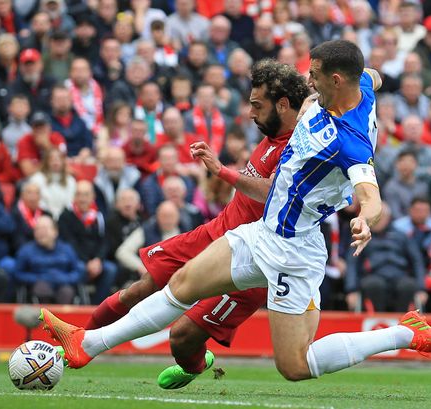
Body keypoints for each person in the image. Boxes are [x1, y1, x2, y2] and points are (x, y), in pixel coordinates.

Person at [41, 42, 431, 384]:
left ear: (335, 80)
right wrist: (371, 77)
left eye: (313, 74)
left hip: (297, 252)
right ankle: (86, 344)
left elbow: (370, 192)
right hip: (263, 233)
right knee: (182, 282)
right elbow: (371, 76)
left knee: (294, 367)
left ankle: (408, 333)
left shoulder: (350, 142)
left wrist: (365, 218)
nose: (306, 81)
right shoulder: (358, 88)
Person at [91, 59, 309, 386]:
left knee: (181, 338)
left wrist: (222, 170)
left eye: (256, 105)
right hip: (216, 232)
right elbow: (349, 80)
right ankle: (77, 339)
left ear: (281, 105)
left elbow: (275, 193)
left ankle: (195, 364)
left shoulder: (301, 145)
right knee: (141, 288)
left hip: (253, 257)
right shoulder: (278, 126)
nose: (250, 113)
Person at [58, 181, 117, 305]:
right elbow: (69, 243)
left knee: (110, 269)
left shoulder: (99, 216)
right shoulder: (66, 216)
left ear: (93, 197)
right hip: (76, 260)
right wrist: (87, 262)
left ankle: (98, 306)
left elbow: (105, 242)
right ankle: (82, 305)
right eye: (79, 194)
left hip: (95, 261)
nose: (82, 199)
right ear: (74, 197)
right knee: (79, 268)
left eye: (86, 195)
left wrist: (98, 260)